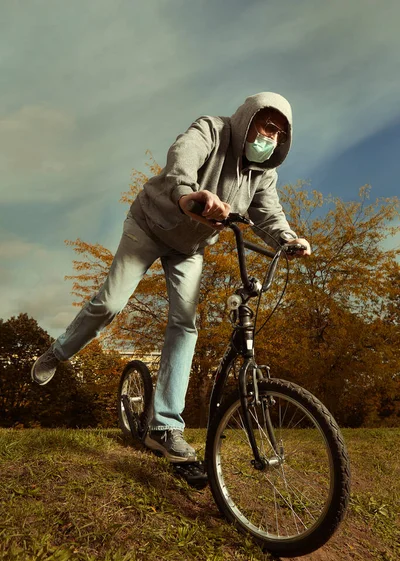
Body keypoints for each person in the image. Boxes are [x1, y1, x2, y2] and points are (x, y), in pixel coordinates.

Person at [31, 92, 311, 463]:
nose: (270, 137)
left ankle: (164, 427)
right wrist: (188, 194)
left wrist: (288, 240)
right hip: (150, 225)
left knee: (186, 323)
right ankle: (56, 353)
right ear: (248, 118)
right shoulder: (213, 130)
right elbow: (182, 157)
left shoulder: (263, 175)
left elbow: (269, 214)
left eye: (279, 133)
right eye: (266, 125)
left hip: (189, 248)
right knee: (110, 303)